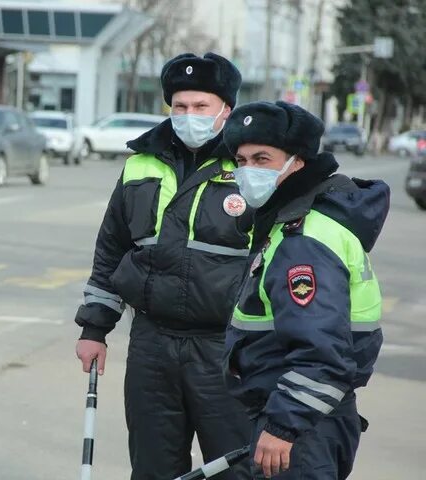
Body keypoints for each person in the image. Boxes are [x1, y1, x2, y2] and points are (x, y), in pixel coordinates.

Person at [74, 52, 252, 480]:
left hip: (225, 350)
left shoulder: (249, 166)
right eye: (180, 107)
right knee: (154, 468)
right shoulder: (141, 164)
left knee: (235, 469)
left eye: (200, 107)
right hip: (152, 343)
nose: (188, 115)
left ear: (226, 110)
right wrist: (95, 328)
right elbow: (112, 249)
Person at [221, 101, 389, 479]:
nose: (248, 171)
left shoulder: (305, 239)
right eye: (242, 160)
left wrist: (284, 427)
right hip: (302, 414)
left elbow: (322, 353)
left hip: (302, 424)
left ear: (296, 163)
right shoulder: (290, 220)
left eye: (262, 159)